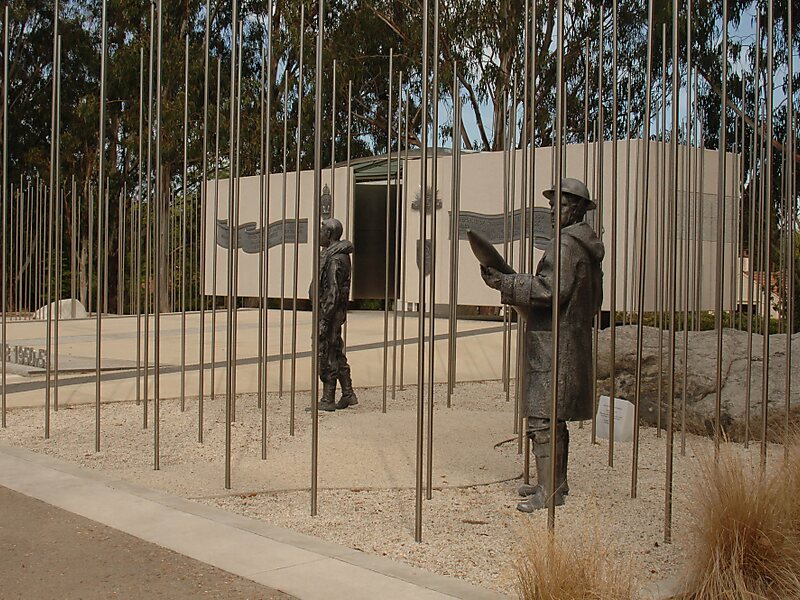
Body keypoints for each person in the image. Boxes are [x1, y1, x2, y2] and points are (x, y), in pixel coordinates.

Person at [480, 178, 604, 512]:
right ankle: (556, 484)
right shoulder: (585, 247)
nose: (552, 211)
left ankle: (548, 492)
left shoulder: (565, 245)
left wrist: (506, 282)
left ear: (576, 209)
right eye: (550, 205)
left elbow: (550, 291)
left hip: (552, 344)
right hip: (568, 338)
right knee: (554, 417)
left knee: (541, 418)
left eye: (559, 205)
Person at [313, 218, 358, 411]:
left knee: (327, 352)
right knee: (336, 349)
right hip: (334, 311)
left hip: (330, 312)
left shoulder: (334, 259)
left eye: (322, 231)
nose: (319, 234)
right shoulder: (335, 255)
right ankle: (348, 393)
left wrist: (324, 317)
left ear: (329, 234)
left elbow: (333, 291)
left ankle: (328, 398)